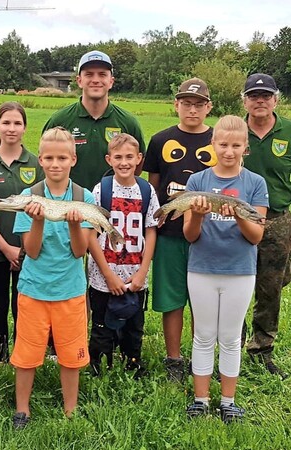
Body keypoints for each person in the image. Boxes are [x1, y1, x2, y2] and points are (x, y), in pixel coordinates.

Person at [182, 115, 268, 423]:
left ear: (246, 147)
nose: (228, 151)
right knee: (203, 335)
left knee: (230, 337)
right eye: (223, 144)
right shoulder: (198, 182)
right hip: (201, 267)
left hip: (240, 271)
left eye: (235, 145)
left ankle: (229, 401)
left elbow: (256, 235)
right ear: (212, 145)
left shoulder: (255, 183)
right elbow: (189, 235)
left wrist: (239, 216)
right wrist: (199, 215)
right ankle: (201, 399)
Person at [10, 127, 96, 429]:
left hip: (70, 291)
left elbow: (79, 251)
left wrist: (75, 225)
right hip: (34, 289)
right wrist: (37, 220)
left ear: (73, 159)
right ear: (40, 160)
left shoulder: (83, 197)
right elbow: (30, 252)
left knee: (71, 355)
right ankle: (22, 409)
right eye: (49, 157)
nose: (55, 163)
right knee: (26, 353)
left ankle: (70, 409)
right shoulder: (28, 197)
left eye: (62, 157)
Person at [142, 78, 216, 383]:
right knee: (172, 297)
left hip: (208, 234)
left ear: (209, 107)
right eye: (186, 103)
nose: (193, 109)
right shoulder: (160, 140)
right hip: (170, 232)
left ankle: (201, 354)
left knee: (203, 298)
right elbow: (153, 187)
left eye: (199, 104)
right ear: (176, 105)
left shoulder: (218, 140)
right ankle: (173, 358)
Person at [241, 73, 291, 378]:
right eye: (254, 95)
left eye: (266, 95)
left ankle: (262, 350)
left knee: (272, 287)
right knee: (234, 285)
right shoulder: (233, 129)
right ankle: (232, 345)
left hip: (277, 220)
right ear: (244, 100)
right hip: (237, 220)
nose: (260, 101)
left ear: (276, 99)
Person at [0, 102, 44, 363]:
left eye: (17, 123)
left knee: (23, 306)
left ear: (25, 127)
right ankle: (1, 357)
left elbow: (40, 210)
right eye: (6, 123)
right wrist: (5, 248)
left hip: (29, 250)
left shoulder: (36, 163)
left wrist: (23, 249)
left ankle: (23, 354)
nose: (11, 128)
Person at [86, 133, 159, 378]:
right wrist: (107, 275)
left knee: (134, 324)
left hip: (135, 273)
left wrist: (143, 272)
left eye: (130, 157)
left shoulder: (147, 191)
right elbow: (91, 235)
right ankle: (98, 365)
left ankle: (132, 364)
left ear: (139, 159)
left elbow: (151, 232)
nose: (124, 162)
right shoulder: (101, 190)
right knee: (101, 324)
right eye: (118, 157)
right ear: (109, 159)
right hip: (104, 274)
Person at [43, 50, 145, 190]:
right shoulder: (59, 120)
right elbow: (46, 161)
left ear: (111, 81)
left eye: (102, 74)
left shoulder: (128, 122)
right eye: (89, 74)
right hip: (72, 204)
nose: (95, 80)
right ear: (79, 81)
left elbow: (137, 166)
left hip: (112, 205)